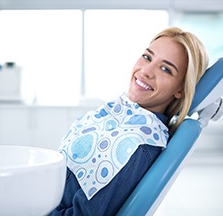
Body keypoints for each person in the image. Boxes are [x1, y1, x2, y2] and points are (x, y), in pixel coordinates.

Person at [48, 27, 209, 216]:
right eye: (147, 57)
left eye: (165, 69)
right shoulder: (117, 113)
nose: (146, 71)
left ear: (180, 90)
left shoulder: (136, 145)